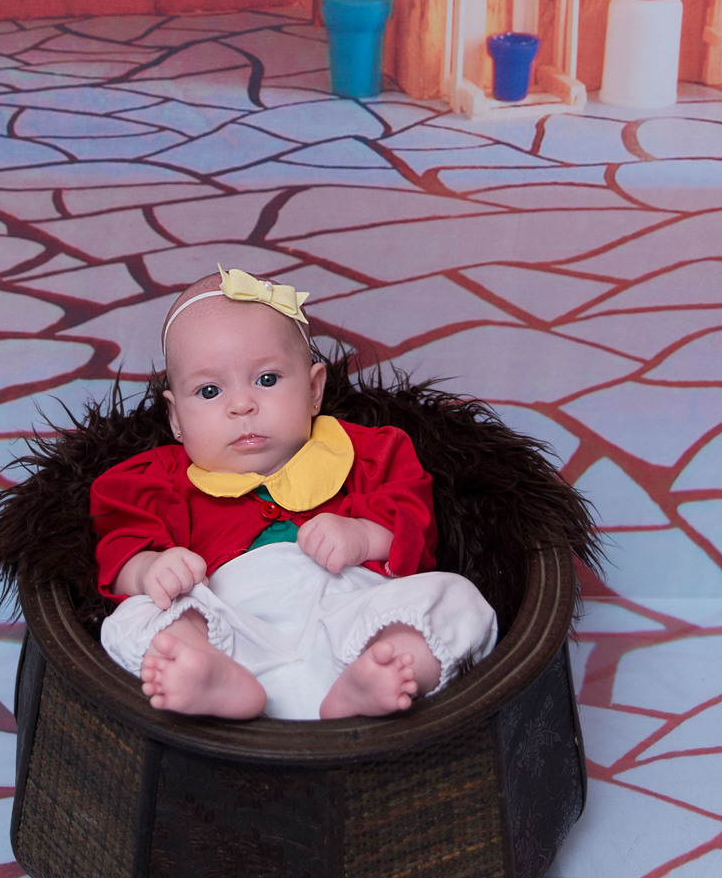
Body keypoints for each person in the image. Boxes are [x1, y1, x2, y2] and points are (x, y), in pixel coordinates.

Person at [91, 268, 498, 721]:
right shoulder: (158, 479)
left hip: (352, 620)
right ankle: (212, 678)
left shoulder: (368, 451)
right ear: (175, 418)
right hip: (231, 631)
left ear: (313, 389)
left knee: (455, 599)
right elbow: (119, 549)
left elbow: (415, 527)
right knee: (139, 617)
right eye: (209, 391)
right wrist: (150, 570)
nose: (241, 405)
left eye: (267, 379)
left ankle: (379, 676)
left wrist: (363, 536)